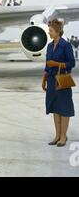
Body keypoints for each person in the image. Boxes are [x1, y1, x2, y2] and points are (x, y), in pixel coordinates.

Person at [42, 19, 75, 147]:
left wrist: (57, 64)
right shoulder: (50, 46)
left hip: (62, 79)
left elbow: (72, 63)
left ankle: (63, 137)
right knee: (55, 108)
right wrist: (44, 79)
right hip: (51, 80)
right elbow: (47, 64)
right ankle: (57, 135)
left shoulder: (66, 45)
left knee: (64, 109)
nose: (49, 33)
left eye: (50, 31)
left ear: (57, 32)